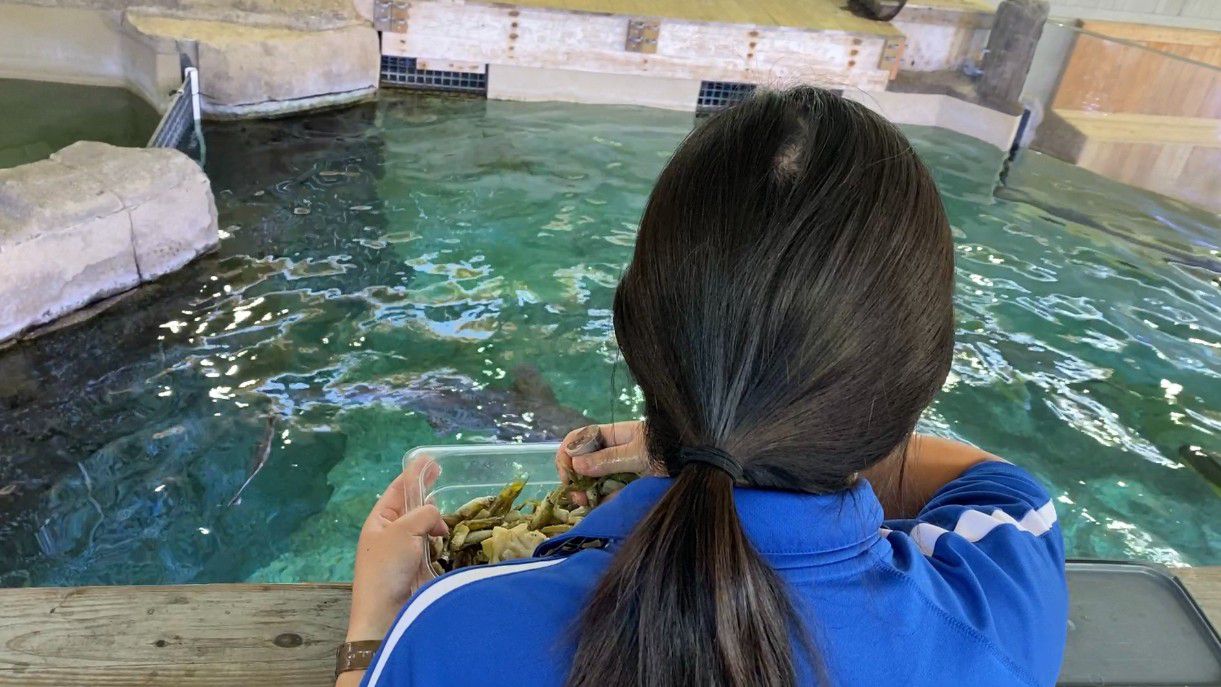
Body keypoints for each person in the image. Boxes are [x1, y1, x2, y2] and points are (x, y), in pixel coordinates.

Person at [337, 86, 1067, 687]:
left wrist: (371, 632)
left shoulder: (454, 631)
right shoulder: (993, 616)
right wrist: (733, 438)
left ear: (635, 335)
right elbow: (1000, 484)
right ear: (922, 378)